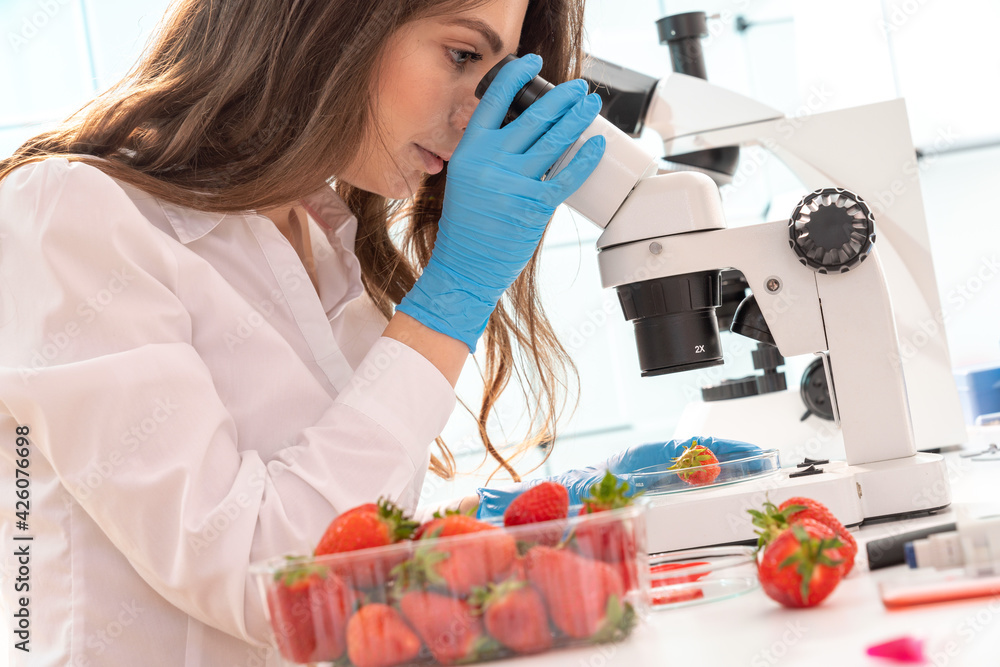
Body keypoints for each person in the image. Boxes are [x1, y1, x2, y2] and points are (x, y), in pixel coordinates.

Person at [0, 0, 756, 664]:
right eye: (463, 56)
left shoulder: (316, 232)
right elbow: (272, 578)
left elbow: (344, 519)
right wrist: (449, 301)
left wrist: (542, 523)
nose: (474, 116)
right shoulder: (68, 215)